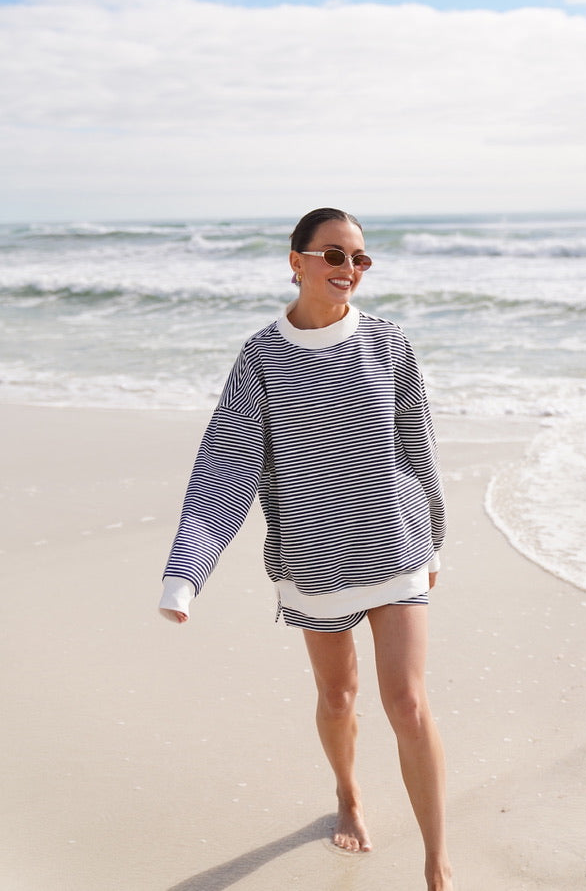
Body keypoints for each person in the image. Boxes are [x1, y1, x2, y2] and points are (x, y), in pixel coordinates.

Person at [159, 207, 454, 891]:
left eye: (360, 259)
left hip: (396, 541)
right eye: (334, 255)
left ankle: (438, 865)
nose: (349, 269)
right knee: (338, 695)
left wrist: (434, 537)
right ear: (296, 261)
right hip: (314, 558)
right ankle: (348, 794)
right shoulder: (262, 357)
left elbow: (420, 444)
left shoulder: (390, 343)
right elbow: (225, 464)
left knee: (407, 703)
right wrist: (187, 572)